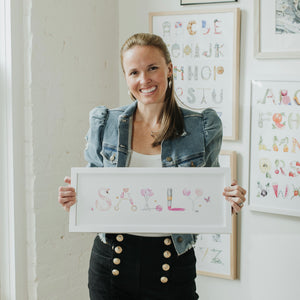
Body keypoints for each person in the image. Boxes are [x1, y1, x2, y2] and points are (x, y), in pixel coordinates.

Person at [58, 33, 246, 300]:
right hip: (111, 263)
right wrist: (74, 198)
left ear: (169, 69)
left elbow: (213, 195)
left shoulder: (202, 127)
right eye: (134, 72)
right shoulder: (105, 123)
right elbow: (91, 189)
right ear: (126, 78)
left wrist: (231, 199)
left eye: (152, 68)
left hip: (173, 264)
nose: (144, 80)